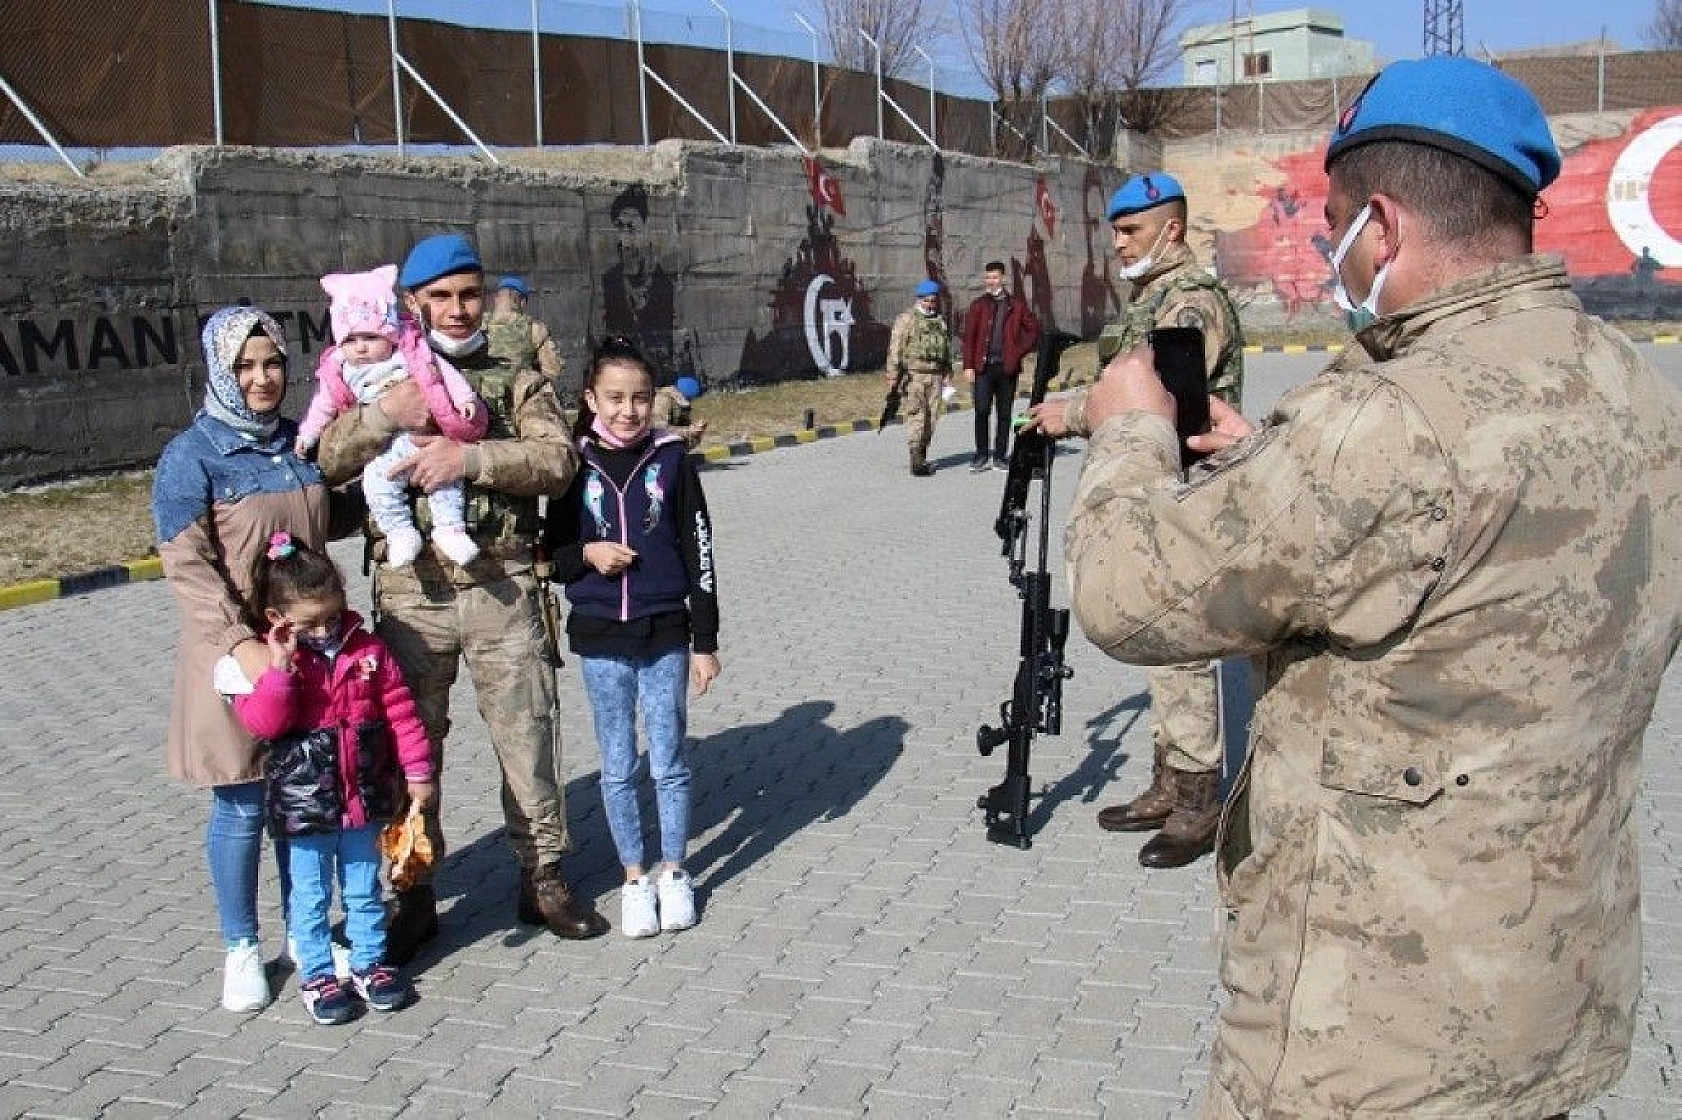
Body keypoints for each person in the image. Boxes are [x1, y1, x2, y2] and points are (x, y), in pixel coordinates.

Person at [1060, 56, 1680, 1118]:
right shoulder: (1633, 387)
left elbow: (1125, 592)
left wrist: (1125, 435)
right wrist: (1271, 460)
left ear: (1379, 228)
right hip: (1549, 995)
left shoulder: (1381, 426)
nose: (1332, 252)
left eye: (1334, 228)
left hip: (1369, 1043)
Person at [315, 232, 610, 959]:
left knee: (528, 735)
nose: (455, 309)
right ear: (412, 303)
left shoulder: (512, 365)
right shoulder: (370, 362)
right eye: (439, 297)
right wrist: (387, 415)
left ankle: (542, 877)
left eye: (468, 294)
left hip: (501, 581)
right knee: (405, 749)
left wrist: (469, 457)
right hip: (410, 591)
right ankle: (413, 889)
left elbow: (557, 460)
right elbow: (325, 456)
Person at [1030, 170, 1245, 869]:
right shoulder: (1154, 298)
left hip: (1188, 493)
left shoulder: (1188, 304)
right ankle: (1167, 781)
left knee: (1183, 649)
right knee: (1164, 649)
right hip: (1161, 492)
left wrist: (1070, 416)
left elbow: (1164, 404)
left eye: (1131, 230)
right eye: (1116, 231)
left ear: (1172, 229)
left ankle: (1197, 800)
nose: (1119, 243)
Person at [152, 306, 333, 1012]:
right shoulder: (191, 456)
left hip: (306, 651)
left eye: (273, 363)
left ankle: (307, 934)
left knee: (303, 803)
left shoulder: (298, 443)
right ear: (221, 372)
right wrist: (243, 644)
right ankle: (238, 946)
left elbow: (330, 515)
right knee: (241, 803)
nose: (262, 379)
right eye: (246, 367)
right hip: (234, 658)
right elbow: (189, 568)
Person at [540, 338, 721, 939]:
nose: (628, 410)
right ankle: (634, 878)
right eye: (615, 398)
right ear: (590, 398)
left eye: (640, 398)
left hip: (665, 630)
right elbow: (552, 555)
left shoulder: (673, 461)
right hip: (599, 639)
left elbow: (701, 551)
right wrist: (587, 554)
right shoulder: (572, 464)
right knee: (617, 765)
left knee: (668, 762)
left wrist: (705, 640)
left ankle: (674, 872)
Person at [219, 533, 434, 1024]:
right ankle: (316, 972)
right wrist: (280, 669)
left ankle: (370, 963)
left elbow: (400, 713)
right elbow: (266, 723)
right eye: (311, 623)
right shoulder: (276, 662)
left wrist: (417, 771)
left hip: (362, 797)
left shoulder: (370, 652)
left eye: (332, 616)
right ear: (278, 621)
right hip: (306, 804)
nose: (325, 629)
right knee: (310, 896)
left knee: (363, 888)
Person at [296, 264, 488, 569]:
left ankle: (450, 529)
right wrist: (308, 435)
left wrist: (465, 406)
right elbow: (323, 422)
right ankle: (399, 533)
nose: (360, 348)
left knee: (447, 482)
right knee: (377, 483)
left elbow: (445, 374)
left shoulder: (412, 353)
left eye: (370, 338)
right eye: (350, 340)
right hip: (385, 453)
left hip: (429, 441)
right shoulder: (340, 371)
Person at [961, 260, 1041, 472]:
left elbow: (1033, 330)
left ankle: (1000, 456)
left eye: (995, 277)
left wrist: (1017, 351)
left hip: (1006, 368)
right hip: (983, 369)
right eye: (988, 278)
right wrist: (968, 366)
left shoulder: (1016, 306)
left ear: (1003, 279)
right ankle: (981, 455)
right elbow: (969, 337)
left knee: (1005, 413)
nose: (991, 282)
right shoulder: (979, 305)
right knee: (981, 411)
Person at [884, 278, 954, 477]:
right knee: (917, 416)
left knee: (932, 417)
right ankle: (916, 459)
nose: (930, 304)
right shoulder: (907, 319)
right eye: (926, 300)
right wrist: (893, 376)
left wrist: (948, 373)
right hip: (914, 376)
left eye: (933, 300)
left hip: (936, 377)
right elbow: (895, 349)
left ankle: (922, 453)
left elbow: (946, 349)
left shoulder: (939, 321)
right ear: (919, 299)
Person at [485, 274, 565, 383]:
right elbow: (553, 370)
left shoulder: (477, 324)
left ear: (496, 299)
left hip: (473, 397)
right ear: (522, 302)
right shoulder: (534, 329)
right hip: (517, 397)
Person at [652, 375, 709, 449]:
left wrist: (696, 429)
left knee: (693, 437)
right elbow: (659, 430)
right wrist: (689, 431)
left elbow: (684, 426)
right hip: (653, 444)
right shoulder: (663, 401)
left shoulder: (679, 404)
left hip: (665, 441)